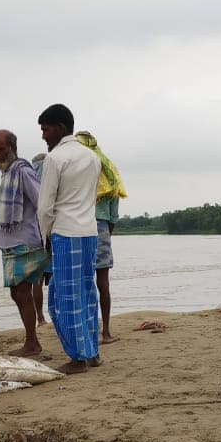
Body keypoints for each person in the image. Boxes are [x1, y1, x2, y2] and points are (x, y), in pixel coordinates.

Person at [36, 103, 101, 374]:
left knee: (62, 298)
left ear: (60, 128)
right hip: (89, 232)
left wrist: (45, 238)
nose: (43, 135)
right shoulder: (92, 157)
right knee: (86, 293)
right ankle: (92, 352)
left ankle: (78, 358)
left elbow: (45, 206)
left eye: (46, 129)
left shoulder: (55, 159)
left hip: (65, 232)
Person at [0, 129, 47, 356]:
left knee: (22, 292)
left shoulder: (23, 171)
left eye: (1, 149)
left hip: (25, 242)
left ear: (13, 147)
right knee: (16, 293)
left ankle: (32, 343)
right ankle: (31, 340)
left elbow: (40, 201)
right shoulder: (7, 172)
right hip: (11, 243)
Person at [75, 131, 127, 344]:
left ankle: (85, 331)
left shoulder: (77, 168)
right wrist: (107, 229)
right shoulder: (108, 169)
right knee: (102, 282)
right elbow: (114, 210)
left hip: (78, 227)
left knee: (80, 282)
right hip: (102, 227)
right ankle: (105, 332)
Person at [31, 152, 50, 327]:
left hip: (33, 237)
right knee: (56, 278)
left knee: (37, 280)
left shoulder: (30, 181)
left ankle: (40, 318)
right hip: (51, 233)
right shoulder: (50, 178)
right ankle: (53, 313)